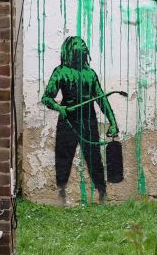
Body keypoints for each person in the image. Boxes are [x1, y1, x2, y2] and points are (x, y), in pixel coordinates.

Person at [41, 36, 119, 203]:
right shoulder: (60, 72)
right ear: (70, 52)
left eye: (83, 51)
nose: (82, 53)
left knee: (94, 158)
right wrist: (59, 108)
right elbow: (47, 98)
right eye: (78, 51)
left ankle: (102, 192)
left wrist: (113, 122)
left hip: (88, 121)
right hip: (68, 121)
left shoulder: (90, 74)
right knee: (63, 158)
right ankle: (61, 193)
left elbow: (101, 99)